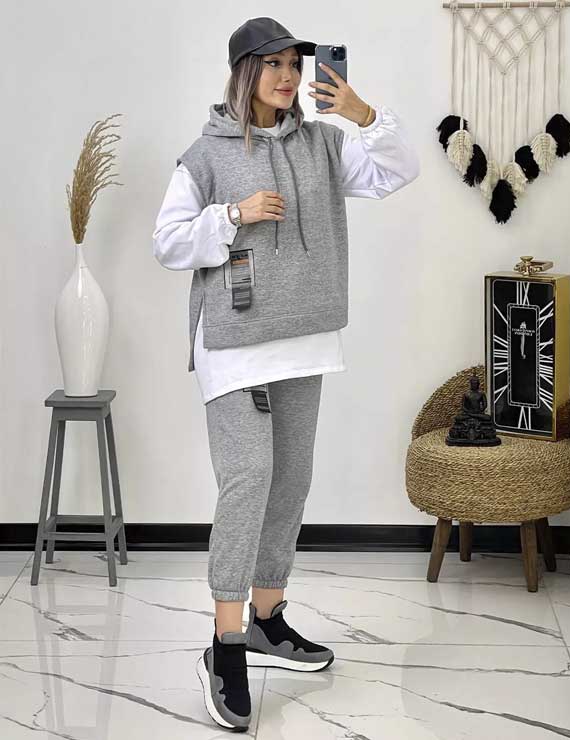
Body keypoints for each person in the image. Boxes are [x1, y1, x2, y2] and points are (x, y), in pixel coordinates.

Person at [153, 16, 420, 733]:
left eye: (294, 64)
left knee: (290, 480)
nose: (287, 76)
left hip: (304, 339)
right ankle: (226, 642)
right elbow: (167, 243)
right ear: (244, 72)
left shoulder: (325, 143)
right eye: (272, 64)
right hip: (233, 342)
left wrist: (362, 114)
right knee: (247, 481)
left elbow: (398, 171)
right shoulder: (204, 155)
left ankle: (269, 620)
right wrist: (231, 215)